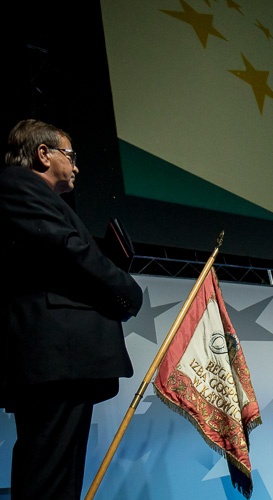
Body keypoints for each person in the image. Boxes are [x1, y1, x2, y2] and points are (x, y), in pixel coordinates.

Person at [0, 119, 144, 499]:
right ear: (43, 154)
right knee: (47, 478)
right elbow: (67, 250)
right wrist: (126, 289)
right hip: (54, 358)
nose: (76, 166)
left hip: (65, 361)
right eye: (70, 155)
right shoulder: (17, 184)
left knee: (61, 480)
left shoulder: (40, 197)